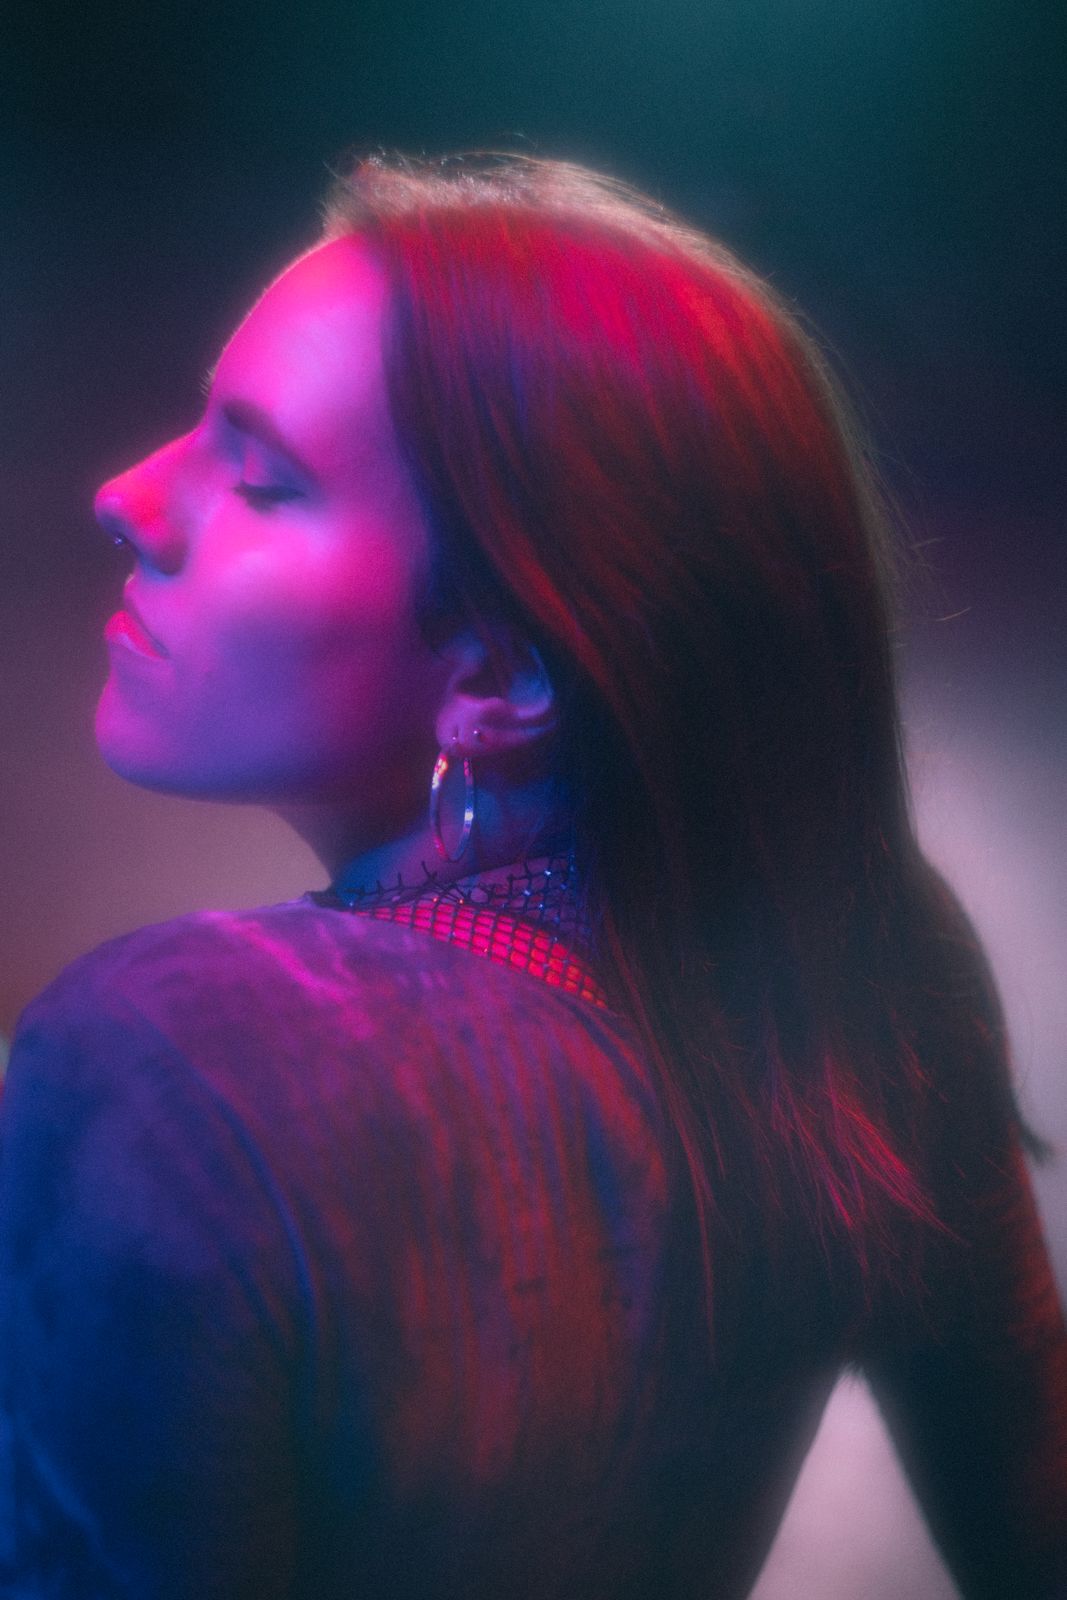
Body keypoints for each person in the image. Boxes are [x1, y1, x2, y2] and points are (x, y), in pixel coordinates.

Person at [1, 152, 1065, 1600]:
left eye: (261, 480)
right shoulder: (867, 979)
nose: (129, 498)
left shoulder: (173, 1059)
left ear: (500, 677)